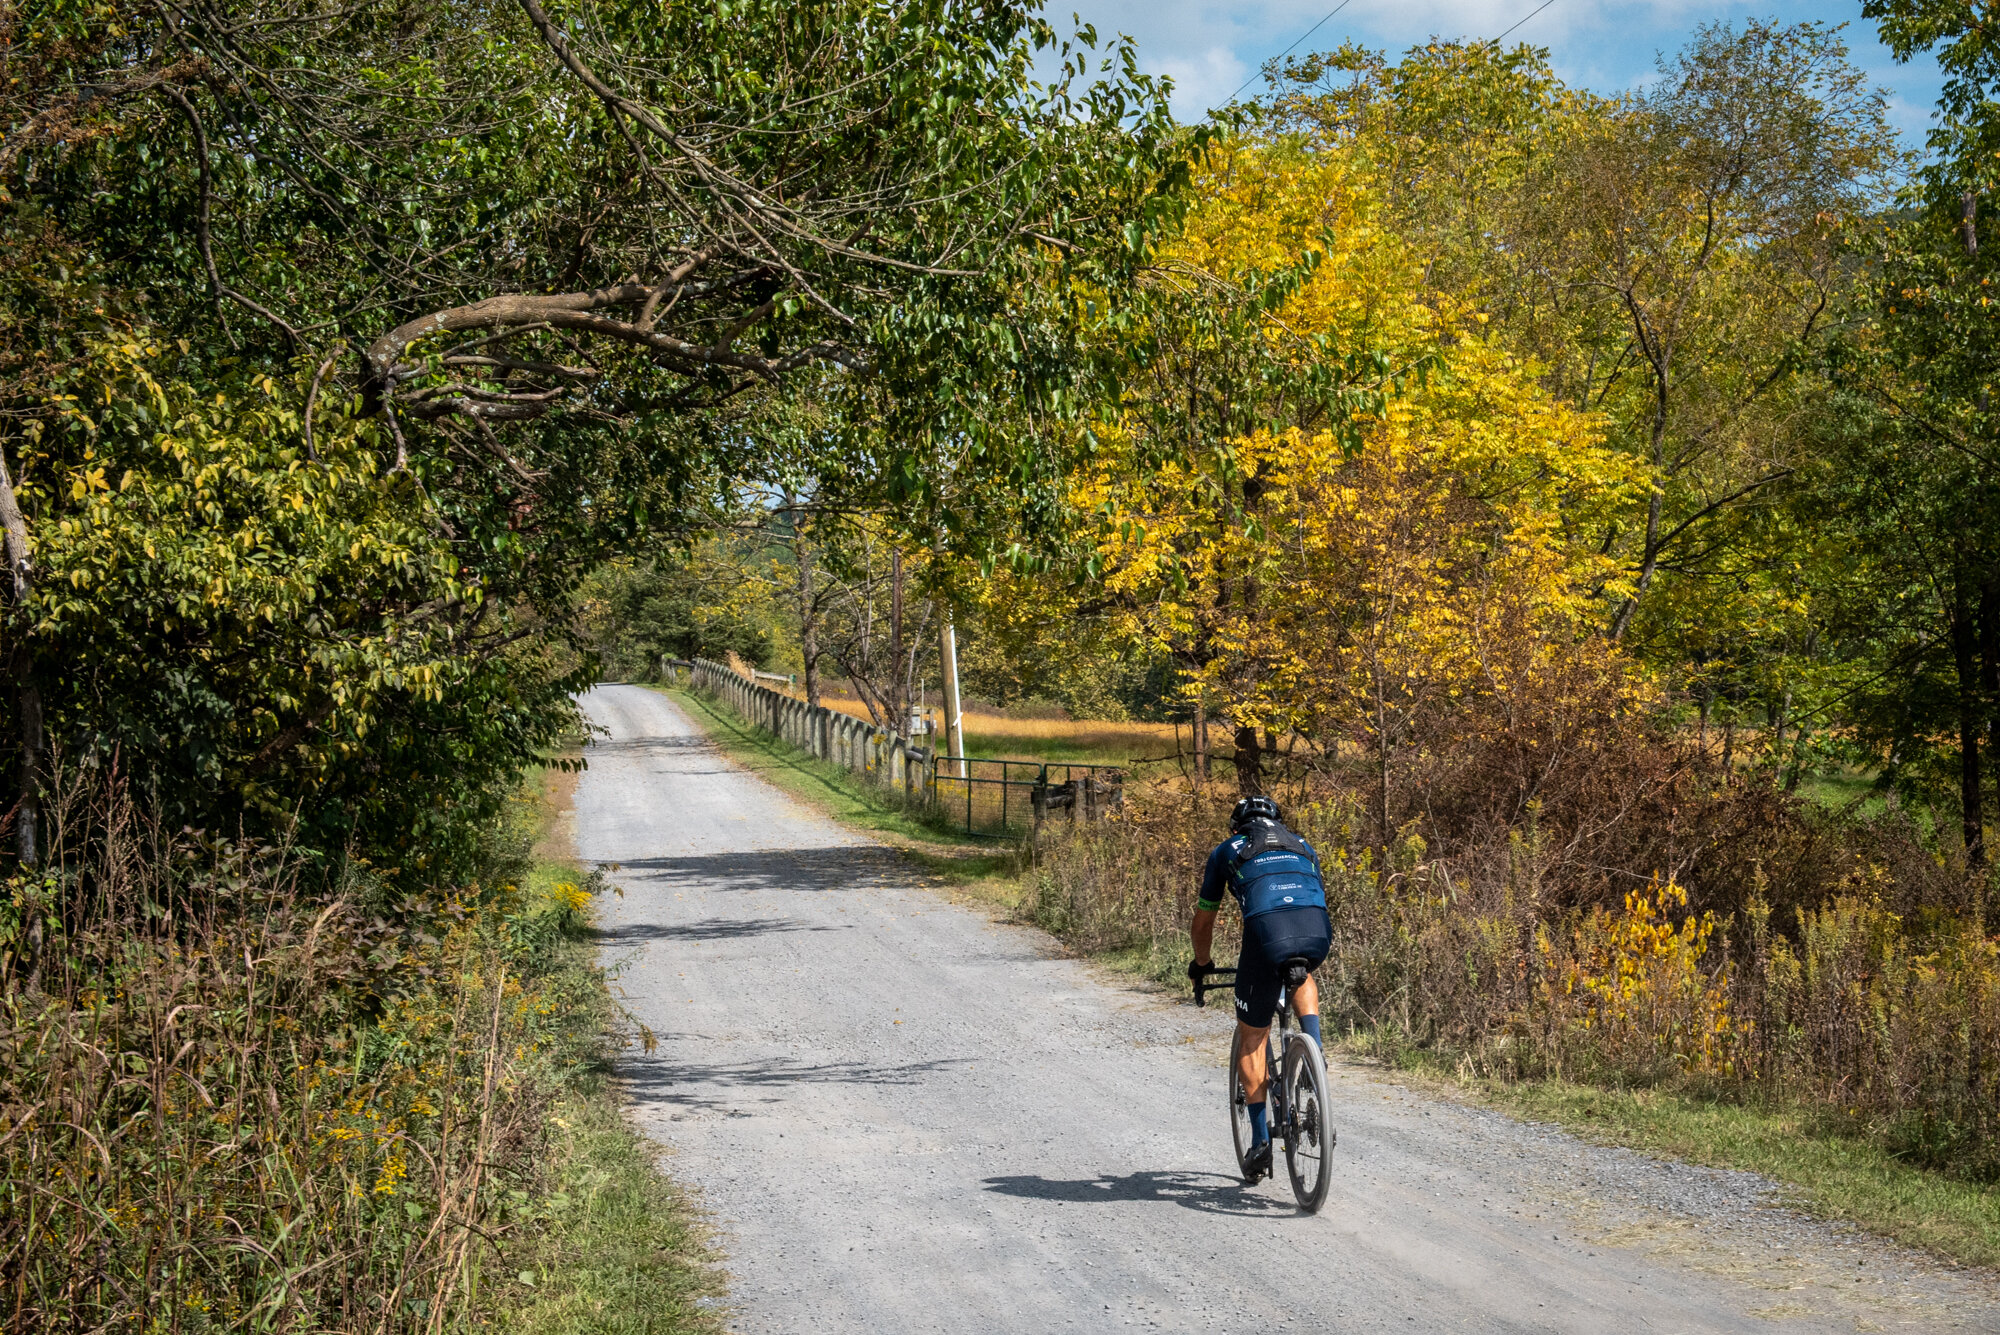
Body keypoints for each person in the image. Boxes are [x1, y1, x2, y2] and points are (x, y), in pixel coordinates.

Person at [1187, 795, 1331, 1183]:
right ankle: (1314, 1051)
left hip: (1267, 932)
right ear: (1277, 821)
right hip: (1315, 929)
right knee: (1301, 970)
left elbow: (1204, 922)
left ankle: (1259, 1140)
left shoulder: (1226, 851)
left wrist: (1202, 964)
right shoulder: (1302, 844)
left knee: (1252, 1036)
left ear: (1236, 827)